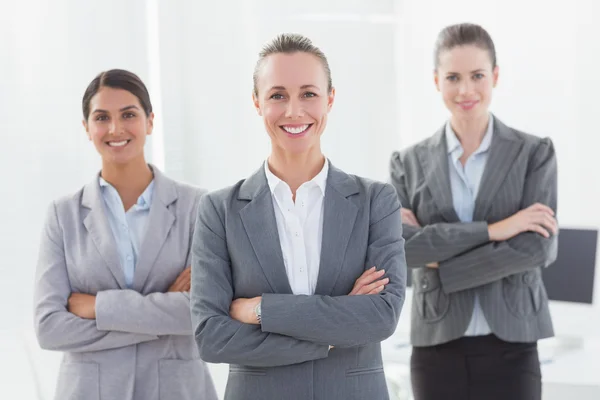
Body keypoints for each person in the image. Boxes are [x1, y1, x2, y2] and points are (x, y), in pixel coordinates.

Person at [190, 33, 407, 400]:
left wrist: (261, 310)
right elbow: (212, 337)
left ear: (330, 99)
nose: (294, 111)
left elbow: (381, 316)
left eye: (308, 93)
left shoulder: (376, 201)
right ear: (257, 103)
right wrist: (332, 336)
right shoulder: (219, 211)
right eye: (277, 95)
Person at [389, 23, 558, 400]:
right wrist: (497, 229)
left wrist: (443, 264)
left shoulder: (533, 153)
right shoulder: (408, 162)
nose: (465, 90)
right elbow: (402, 251)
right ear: (436, 81)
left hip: (513, 340)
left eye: (477, 75)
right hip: (436, 342)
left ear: (495, 76)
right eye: (453, 77)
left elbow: (536, 248)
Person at [33, 69, 218, 400]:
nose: (115, 129)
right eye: (102, 117)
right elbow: (49, 328)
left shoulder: (197, 207)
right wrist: (159, 321)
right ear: (87, 129)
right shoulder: (63, 215)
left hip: (177, 389)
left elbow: (203, 312)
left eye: (128, 115)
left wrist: (98, 306)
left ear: (149, 121)